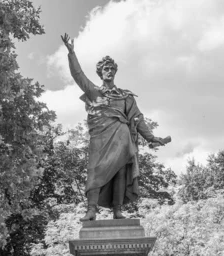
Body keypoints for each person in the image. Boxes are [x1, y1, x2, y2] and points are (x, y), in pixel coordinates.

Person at [61, 33, 170, 221]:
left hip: (121, 136)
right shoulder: (94, 92)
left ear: (115, 72)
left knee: (120, 170)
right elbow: (78, 75)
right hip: (100, 138)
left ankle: (117, 210)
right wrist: (71, 53)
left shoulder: (126, 96)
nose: (109, 71)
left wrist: (152, 138)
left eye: (111, 68)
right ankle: (91, 210)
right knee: (95, 169)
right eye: (105, 68)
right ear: (100, 73)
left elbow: (138, 118)